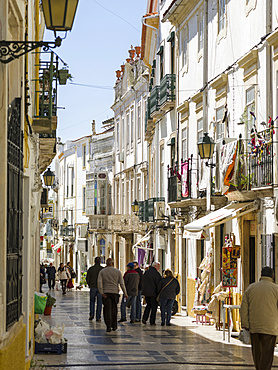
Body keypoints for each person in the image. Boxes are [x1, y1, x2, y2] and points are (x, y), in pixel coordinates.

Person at [240, 266, 278, 370]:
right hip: (270, 328)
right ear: (273, 276)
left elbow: (243, 307)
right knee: (266, 357)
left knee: (257, 356)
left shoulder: (251, 288)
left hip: (254, 328)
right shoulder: (276, 289)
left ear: (261, 275)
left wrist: (245, 325)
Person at [97, 258, 127, 332]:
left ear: (106, 264)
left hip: (106, 293)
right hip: (114, 293)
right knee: (114, 309)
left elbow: (99, 282)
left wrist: (101, 292)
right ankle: (114, 325)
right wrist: (125, 293)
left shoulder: (102, 271)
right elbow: (122, 283)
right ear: (113, 263)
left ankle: (108, 325)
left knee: (107, 310)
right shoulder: (117, 271)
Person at [141, 261, 161, 325]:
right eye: (158, 267)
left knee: (148, 306)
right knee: (154, 308)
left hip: (146, 293)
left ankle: (144, 318)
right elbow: (158, 284)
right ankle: (152, 321)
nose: (159, 268)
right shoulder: (156, 274)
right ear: (155, 266)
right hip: (153, 293)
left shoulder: (146, 273)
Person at [86, 257, 104, 321]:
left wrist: (89, 284)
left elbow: (87, 278)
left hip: (93, 287)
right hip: (100, 288)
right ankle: (98, 317)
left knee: (92, 301)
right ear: (100, 262)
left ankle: (91, 314)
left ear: (94, 261)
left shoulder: (91, 269)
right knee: (99, 302)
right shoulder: (102, 269)